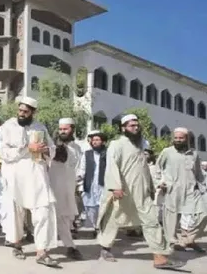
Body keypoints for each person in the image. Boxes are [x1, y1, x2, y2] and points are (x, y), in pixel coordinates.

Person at [97, 114, 184, 270]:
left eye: (137, 125)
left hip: (141, 192)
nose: (135, 128)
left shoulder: (142, 144)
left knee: (151, 221)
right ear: (123, 128)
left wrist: (150, 186)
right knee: (113, 218)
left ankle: (160, 257)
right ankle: (105, 247)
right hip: (121, 191)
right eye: (131, 126)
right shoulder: (116, 145)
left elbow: (144, 169)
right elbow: (111, 166)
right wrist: (116, 187)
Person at [0, 96, 59, 267]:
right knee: (16, 212)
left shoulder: (40, 127)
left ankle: (42, 251)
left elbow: (52, 148)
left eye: (26, 111)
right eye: (20, 110)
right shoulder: (7, 127)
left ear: (33, 112)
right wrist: (27, 148)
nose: (22, 114)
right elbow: (3, 152)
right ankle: (16, 244)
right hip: (15, 174)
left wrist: (47, 150)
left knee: (43, 211)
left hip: (37, 174)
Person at [157, 127, 207, 253]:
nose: (178, 140)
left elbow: (199, 173)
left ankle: (188, 239)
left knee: (203, 213)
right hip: (173, 189)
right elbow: (158, 168)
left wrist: (203, 187)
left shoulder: (194, 154)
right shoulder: (167, 152)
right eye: (176, 138)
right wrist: (160, 182)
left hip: (191, 190)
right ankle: (172, 242)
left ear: (187, 139)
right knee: (172, 218)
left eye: (181, 138)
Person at [49, 118, 83, 260]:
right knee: (51, 217)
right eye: (61, 129)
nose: (62, 131)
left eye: (66, 129)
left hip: (69, 188)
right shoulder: (52, 146)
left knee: (65, 218)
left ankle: (69, 246)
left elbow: (79, 167)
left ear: (72, 129)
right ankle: (49, 247)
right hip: (53, 187)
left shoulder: (77, 147)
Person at [76, 130, 107, 238]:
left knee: (103, 207)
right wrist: (78, 180)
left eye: (97, 140)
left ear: (103, 142)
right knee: (90, 208)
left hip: (103, 185)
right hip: (90, 184)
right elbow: (82, 169)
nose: (94, 142)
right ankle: (96, 226)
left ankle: (102, 228)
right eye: (93, 140)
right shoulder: (87, 154)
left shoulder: (107, 153)